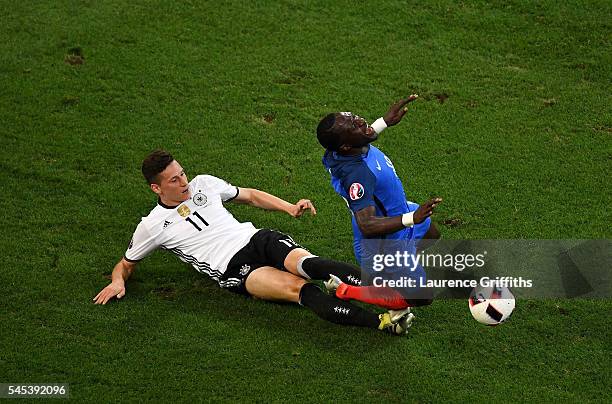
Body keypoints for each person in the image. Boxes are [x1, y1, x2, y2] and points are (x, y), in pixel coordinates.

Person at [93, 149, 414, 335]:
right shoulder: (151, 226)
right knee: (301, 290)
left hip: (254, 238)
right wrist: (117, 281)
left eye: (182, 173)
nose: (184, 182)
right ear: (156, 188)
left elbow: (248, 196)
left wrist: (289, 207)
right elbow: (126, 264)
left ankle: (389, 292)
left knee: (311, 265)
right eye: (174, 180)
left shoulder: (203, 184)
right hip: (231, 267)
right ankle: (384, 322)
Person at [316, 95, 442, 308]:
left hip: (399, 212)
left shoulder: (346, 149)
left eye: (354, 116)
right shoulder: (358, 174)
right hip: (386, 240)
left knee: (432, 235)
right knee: (422, 297)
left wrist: (383, 122)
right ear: (346, 146)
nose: (361, 121)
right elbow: (367, 225)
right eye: (354, 125)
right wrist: (413, 217)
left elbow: (359, 137)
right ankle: (348, 290)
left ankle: (396, 272)